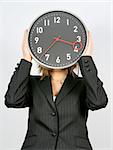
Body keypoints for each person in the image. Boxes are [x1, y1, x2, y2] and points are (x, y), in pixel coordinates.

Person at [4, 29, 108, 150]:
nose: (57, 52)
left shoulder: (83, 85)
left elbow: (99, 102)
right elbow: (12, 100)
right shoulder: (33, 84)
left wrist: (86, 58)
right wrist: (26, 58)